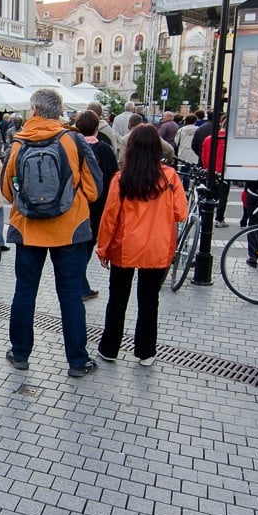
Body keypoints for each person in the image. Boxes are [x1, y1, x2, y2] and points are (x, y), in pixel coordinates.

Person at [1, 89, 103, 377]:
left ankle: (20, 353)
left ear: (33, 110)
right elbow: (94, 189)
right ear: (59, 111)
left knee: (24, 292)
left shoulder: (19, 142)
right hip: (69, 230)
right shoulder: (74, 140)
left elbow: (8, 189)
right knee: (70, 295)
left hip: (28, 229)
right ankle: (77, 361)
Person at [97, 124, 187, 366]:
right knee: (149, 301)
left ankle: (109, 348)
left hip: (124, 246)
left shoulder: (121, 178)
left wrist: (103, 248)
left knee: (117, 298)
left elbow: (109, 217)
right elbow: (181, 212)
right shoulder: (170, 177)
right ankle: (145, 352)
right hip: (157, 248)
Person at [75, 110, 119, 302]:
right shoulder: (105, 150)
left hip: (76, 205)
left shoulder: (72, 147)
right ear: (95, 128)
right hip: (99, 205)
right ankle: (80, 285)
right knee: (88, 244)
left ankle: (80, 283)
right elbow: (113, 179)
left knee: (80, 244)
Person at [201, 116, 229, 227]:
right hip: (224, 172)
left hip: (210, 171)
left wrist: (206, 167)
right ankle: (219, 219)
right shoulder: (228, 141)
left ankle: (207, 217)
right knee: (222, 197)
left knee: (210, 194)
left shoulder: (208, 139)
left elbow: (204, 155)